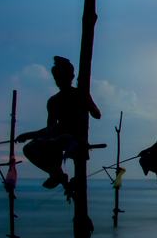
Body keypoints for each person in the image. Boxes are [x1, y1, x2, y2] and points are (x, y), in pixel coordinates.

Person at [16, 56, 102, 196]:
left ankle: (58, 175)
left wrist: (87, 100)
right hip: (59, 140)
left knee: (62, 140)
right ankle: (57, 174)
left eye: (61, 77)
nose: (59, 81)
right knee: (30, 148)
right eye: (57, 78)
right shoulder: (53, 101)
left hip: (75, 140)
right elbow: (50, 130)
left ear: (71, 77)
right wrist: (28, 135)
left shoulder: (80, 94)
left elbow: (97, 115)